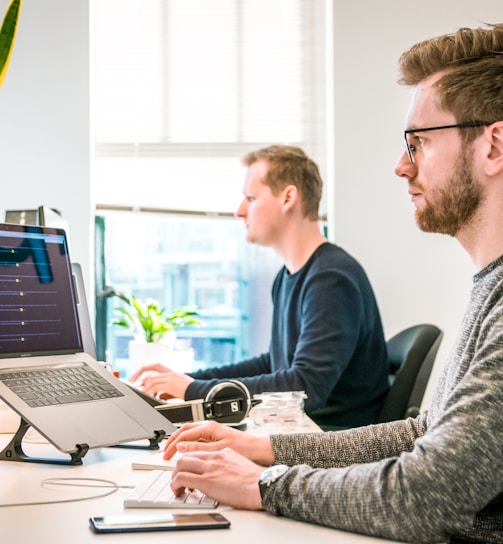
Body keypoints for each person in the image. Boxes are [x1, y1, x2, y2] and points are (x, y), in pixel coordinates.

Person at [161, 24, 503, 544]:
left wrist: (264, 483)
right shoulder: (488, 288)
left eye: (419, 142)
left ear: (493, 145)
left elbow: (428, 493)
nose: (400, 166)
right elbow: (422, 433)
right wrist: (266, 450)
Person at [131, 144, 390, 430]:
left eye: (251, 198)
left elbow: (305, 388)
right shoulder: (289, 276)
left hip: (330, 441)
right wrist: (189, 381)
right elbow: (274, 363)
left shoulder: (331, 279)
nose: (239, 211)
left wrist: (194, 390)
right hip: (300, 430)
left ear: (288, 198)